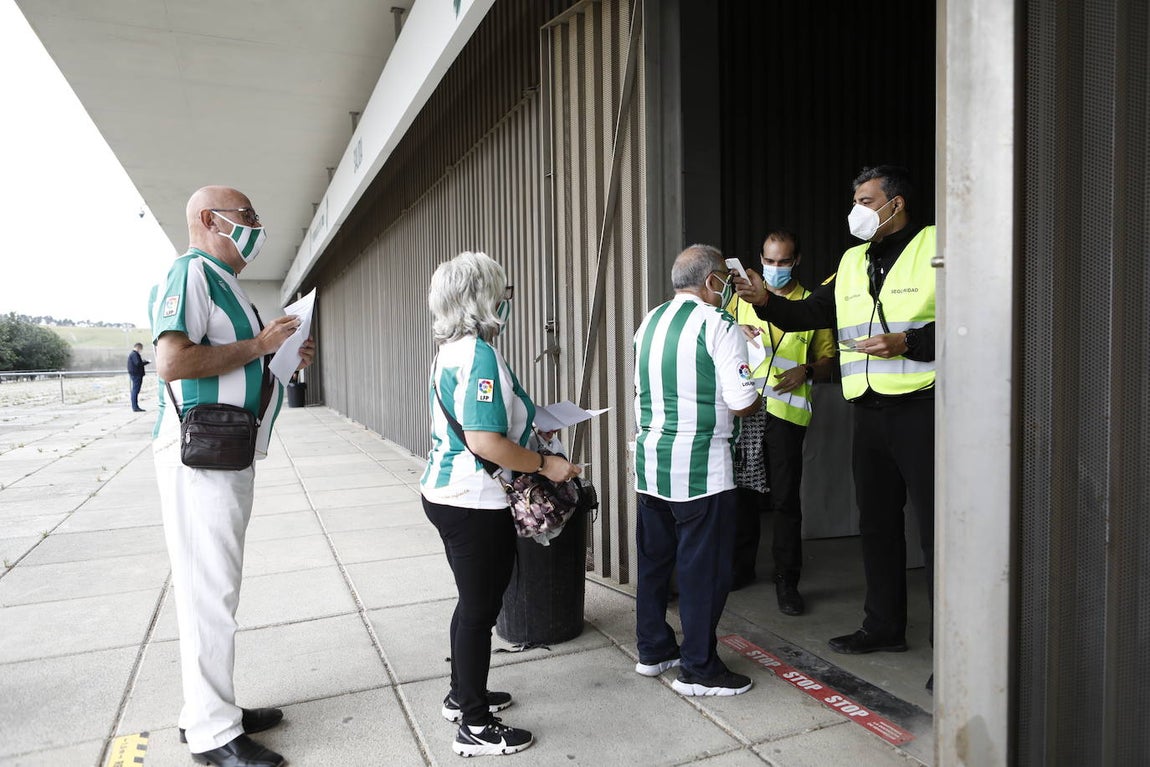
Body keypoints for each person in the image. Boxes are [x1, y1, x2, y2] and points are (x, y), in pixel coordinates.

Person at [733, 166, 936, 686]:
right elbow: (809, 315)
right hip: (867, 409)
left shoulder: (937, 246)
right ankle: (884, 625)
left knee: (938, 532)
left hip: (923, 405)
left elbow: (976, 317)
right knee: (877, 524)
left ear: (896, 204)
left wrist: (911, 344)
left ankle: (951, 648)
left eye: (867, 200)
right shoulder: (851, 261)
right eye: (855, 200)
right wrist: (767, 302)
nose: (857, 210)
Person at [151, 186, 316, 767]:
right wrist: (259, 343)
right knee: (209, 592)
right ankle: (212, 733)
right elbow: (172, 361)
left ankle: (209, 707)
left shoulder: (225, 284)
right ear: (207, 219)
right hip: (203, 456)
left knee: (215, 586)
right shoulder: (190, 274)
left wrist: (283, 355)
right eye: (246, 216)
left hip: (226, 451)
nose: (255, 225)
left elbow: (243, 360)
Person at [421, 251, 581, 757]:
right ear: (481, 297)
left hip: (450, 493)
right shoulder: (479, 355)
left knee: (474, 603)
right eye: (504, 291)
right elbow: (485, 441)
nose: (509, 301)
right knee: (479, 608)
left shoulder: (453, 350)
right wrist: (545, 464)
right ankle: (473, 723)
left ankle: (462, 693)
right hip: (473, 499)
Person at [632, 244, 763, 697]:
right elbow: (744, 401)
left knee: (654, 563)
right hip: (701, 469)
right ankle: (699, 668)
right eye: (725, 282)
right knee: (703, 571)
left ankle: (652, 650)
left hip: (650, 464)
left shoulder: (650, 321)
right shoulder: (720, 323)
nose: (729, 289)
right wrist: (755, 379)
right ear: (712, 282)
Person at [726, 230, 836, 614]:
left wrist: (806, 370)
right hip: (745, 410)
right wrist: (734, 331)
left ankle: (787, 580)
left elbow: (829, 361)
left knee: (786, 498)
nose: (775, 268)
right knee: (741, 492)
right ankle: (740, 568)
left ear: (797, 261)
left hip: (787, 412)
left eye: (783, 262)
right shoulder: (738, 302)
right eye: (769, 261)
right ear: (760, 259)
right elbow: (714, 342)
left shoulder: (813, 305)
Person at [127, 342, 150, 411]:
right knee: (135, 390)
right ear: (138, 347)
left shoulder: (133, 354)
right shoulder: (134, 354)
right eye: (141, 349)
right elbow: (137, 363)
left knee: (135, 390)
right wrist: (146, 362)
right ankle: (135, 407)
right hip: (136, 374)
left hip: (135, 374)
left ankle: (135, 406)